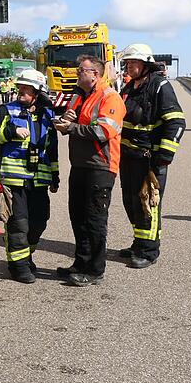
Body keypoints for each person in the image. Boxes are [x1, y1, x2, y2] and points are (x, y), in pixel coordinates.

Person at [53, 55, 126, 286]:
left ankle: (95, 270)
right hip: (80, 165)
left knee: (94, 220)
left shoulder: (110, 97)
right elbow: (71, 123)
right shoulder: (78, 95)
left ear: (95, 73)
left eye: (81, 69)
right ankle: (80, 263)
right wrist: (65, 122)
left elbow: (104, 132)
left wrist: (72, 127)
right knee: (78, 217)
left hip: (100, 167)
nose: (77, 72)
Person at [0, 69, 59, 283]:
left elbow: (52, 148)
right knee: (18, 224)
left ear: (38, 92)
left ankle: (26, 256)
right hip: (13, 180)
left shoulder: (47, 115)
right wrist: (9, 133)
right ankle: (18, 266)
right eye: (20, 88)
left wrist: (55, 175)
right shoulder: (6, 111)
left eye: (26, 89)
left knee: (39, 222)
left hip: (39, 180)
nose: (21, 93)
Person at [117, 43, 185, 269]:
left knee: (148, 204)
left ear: (146, 64)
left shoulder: (160, 86)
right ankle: (139, 242)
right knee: (131, 202)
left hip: (149, 159)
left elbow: (176, 121)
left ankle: (149, 250)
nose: (129, 67)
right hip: (128, 157)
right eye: (127, 63)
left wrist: (164, 155)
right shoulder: (128, 88)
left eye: (133, 63)